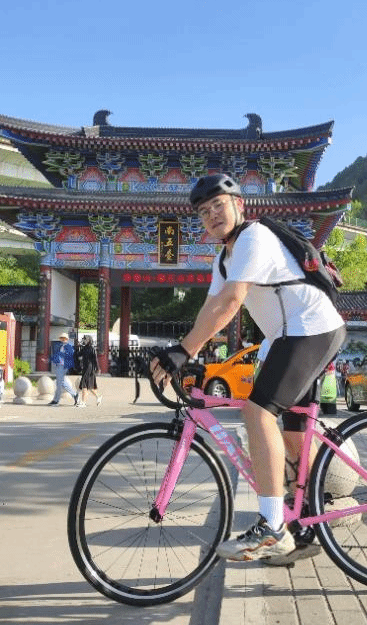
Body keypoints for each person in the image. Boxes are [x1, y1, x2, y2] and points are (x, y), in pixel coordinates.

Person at [150, 173, 345, 563]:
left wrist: (183, 351)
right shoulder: (223, 259)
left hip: (311, 328)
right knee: (292, 433)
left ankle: (272, 526)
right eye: (204, 212)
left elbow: (232, 301)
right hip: (289, 336)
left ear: (239, 204)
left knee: (257, 413)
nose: (212, 215)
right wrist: (190, 354)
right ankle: (307, 521)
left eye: (218, 205)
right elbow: (212, 308)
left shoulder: (254, 237)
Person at [48, 332, 80, 406]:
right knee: (60, 383)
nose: (62, 339)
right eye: (61, 338)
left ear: (67, 339)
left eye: (64, 338)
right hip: (59, 365)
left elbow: (70, 356)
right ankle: (73, 395)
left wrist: (61, 355)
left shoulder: (69, 346)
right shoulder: (61, 346)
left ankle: (57, 400)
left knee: (60, 383)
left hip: (63, 366)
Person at [76, 335, 102, 407]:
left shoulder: (92, 349)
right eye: (84, 339)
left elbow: (95, 360)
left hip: (90, 369)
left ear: (89, 340)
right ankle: (98, 396)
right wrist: (78, 347)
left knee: (84, 385)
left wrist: (98, 368)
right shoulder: (84, 348)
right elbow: (78, 355)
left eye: (85, 339)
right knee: (89, 387)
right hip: (85, 368)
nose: (84, 341)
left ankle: (83, 402)